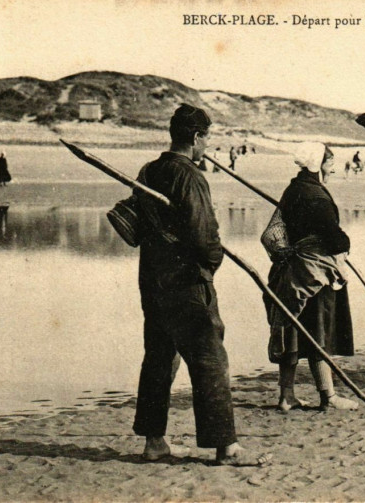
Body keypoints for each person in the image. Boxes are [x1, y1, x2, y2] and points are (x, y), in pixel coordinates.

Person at [131, 104, 269, 466]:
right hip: (187, 283)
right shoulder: (188, 175)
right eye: (206, 139)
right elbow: (204, 235)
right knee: (210, 359)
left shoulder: (149, 170)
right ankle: (226, 447)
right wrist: (210, 266)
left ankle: (154, 442)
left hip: (153, 280)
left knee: (159, 357)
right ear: (195, 138)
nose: (207, 147)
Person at [262, 142, 358, 412]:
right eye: (330, 162)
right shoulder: (316, 195)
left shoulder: (293, 190)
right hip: (315, 273)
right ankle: (328, 396)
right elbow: (334, 238)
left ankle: (286, 396)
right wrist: (344, 243)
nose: (334, 168)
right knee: (318, 332)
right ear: (318, 164)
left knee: (291, 328)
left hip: (291, 269)